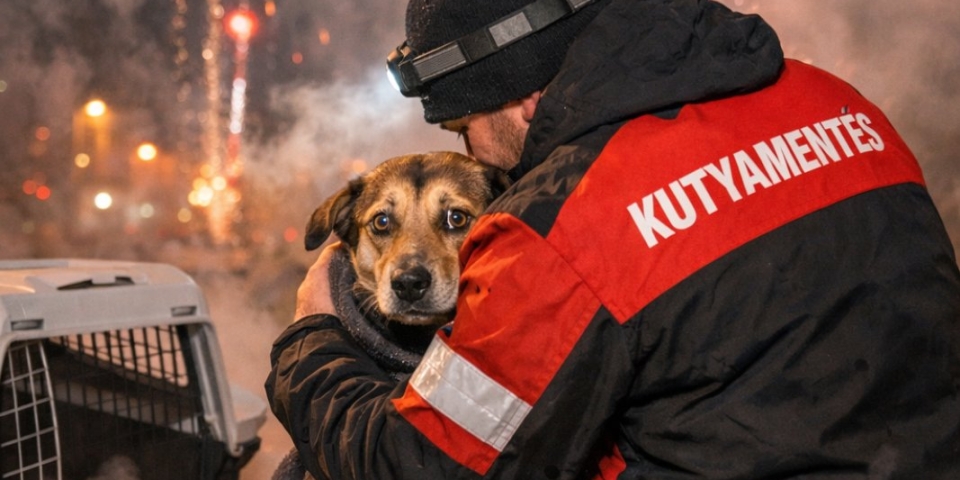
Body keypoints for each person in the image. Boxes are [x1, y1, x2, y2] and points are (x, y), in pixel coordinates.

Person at [266, 0, 960, 478]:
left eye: (463, 125)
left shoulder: (568, 222)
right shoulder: (838, 104)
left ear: (517, 94)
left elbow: (420, 465)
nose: (477, 150)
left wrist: (311, 338)